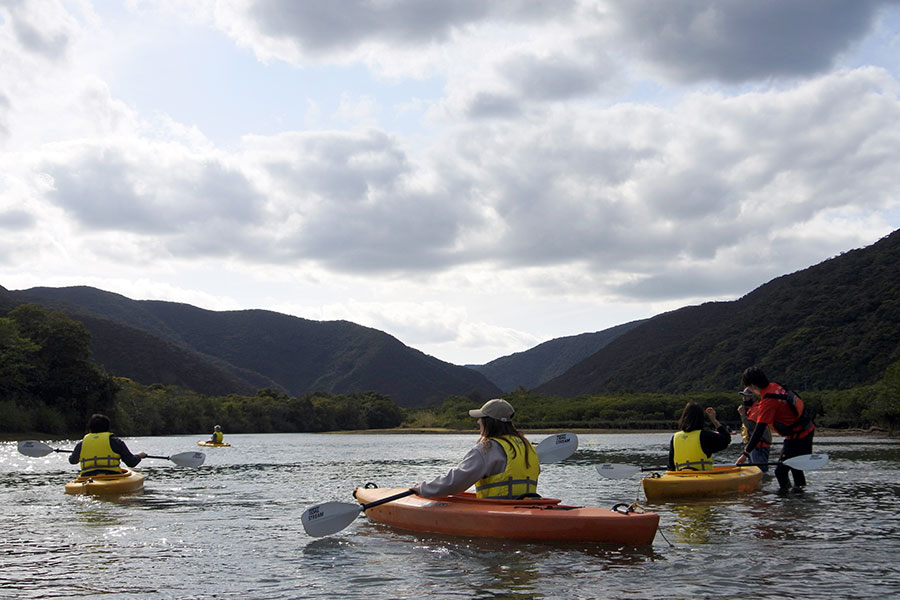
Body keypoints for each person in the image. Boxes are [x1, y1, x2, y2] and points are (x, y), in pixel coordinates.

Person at [412, 398, 540, 499]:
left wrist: (423, 488)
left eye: (481, 418)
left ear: (489, 422)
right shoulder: (527, 446)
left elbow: (455, 482)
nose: (478, 422)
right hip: (528, 506)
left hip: (498, 511)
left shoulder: (487, 449)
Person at [736, 366, 815, 491]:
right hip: (806, 430)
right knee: (795, 467)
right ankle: (800, 498)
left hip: (798, 435)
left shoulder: (768, 401)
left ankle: (786, 501)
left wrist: (745, 454)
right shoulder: (775, 386)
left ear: (752, 385)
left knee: (780, 472)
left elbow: (759, 429)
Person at [68, 413, 147, 476]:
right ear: (108, 429)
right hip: (112, 477)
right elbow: (131, 462)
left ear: (89, 429)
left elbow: (72, 461)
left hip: (87, 477)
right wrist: (139, 456)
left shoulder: (81, 444)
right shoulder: (116, 442)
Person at [668, 402, 731, 471]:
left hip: (681, 478)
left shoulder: (675, 437)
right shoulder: (705, 436)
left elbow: (671, 465)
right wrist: (714, 420)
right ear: (701, 418)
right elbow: (726, 439)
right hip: (703, 478)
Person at [737, 386, 772, 472]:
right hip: (753, 447)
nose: (744, 399)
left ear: (753, 397)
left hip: (759, 447)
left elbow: (751, 426)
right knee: (753, 470)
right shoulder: (752, 409)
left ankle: (765, 484)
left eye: (747, 396)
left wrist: (742, 415)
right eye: (743, 396)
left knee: (760, 471)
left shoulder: (756, 409)